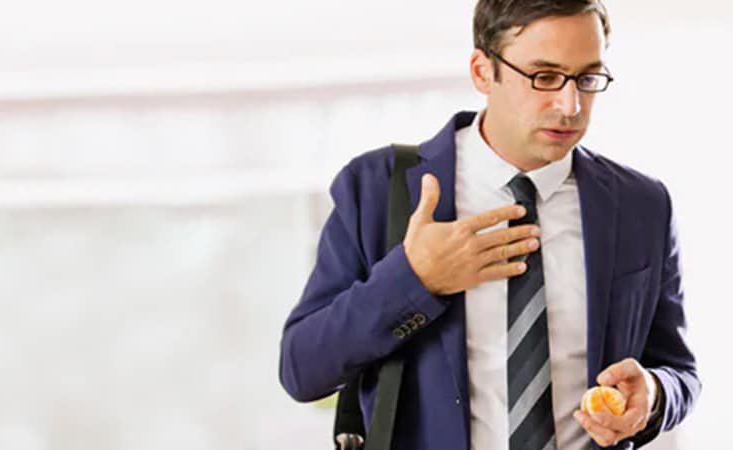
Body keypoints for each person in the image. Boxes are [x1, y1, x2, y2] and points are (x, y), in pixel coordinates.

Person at [278, 1, 699, 449]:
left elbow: (678, 371)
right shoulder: (378, 189)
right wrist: (414, 279)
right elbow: (302, 370)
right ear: (483, 71)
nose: (570, 104)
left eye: (587, 79)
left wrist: (653, 396)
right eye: (545, 77)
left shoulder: (642, 205)